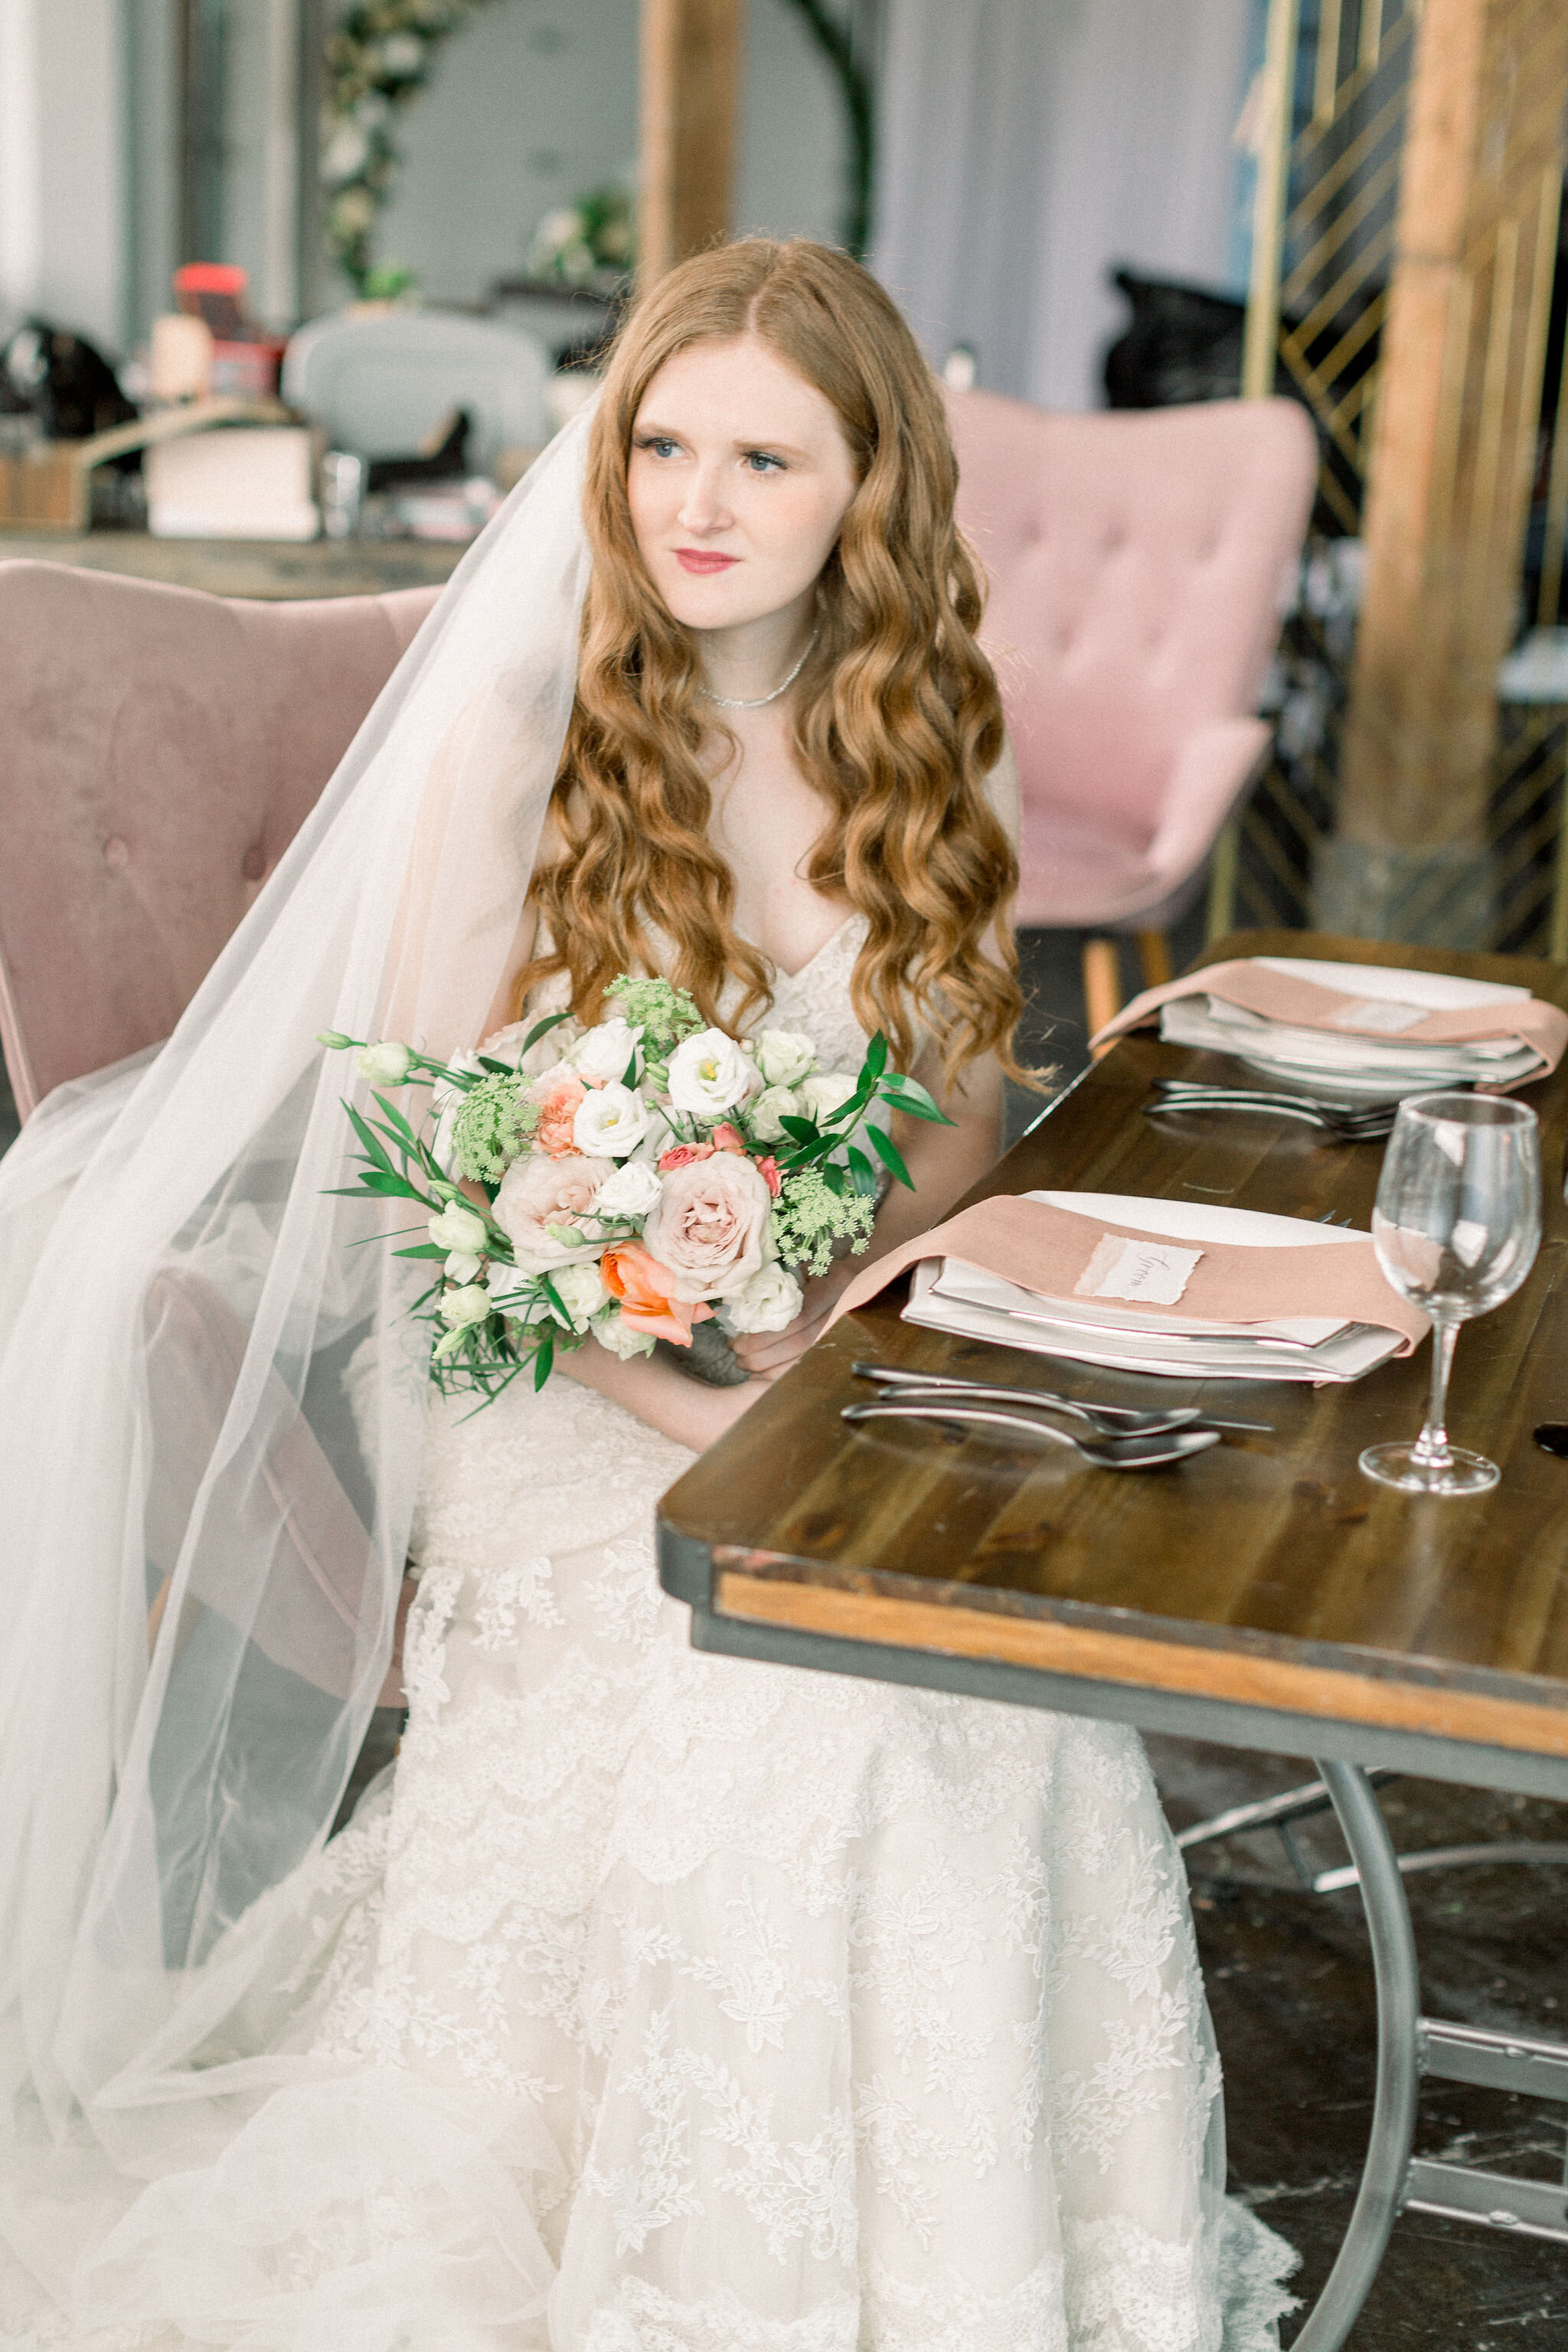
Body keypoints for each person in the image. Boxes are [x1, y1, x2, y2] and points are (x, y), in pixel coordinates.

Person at [0, 241, 1294, 2349]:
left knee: (1000, 1689)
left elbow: (953, 1130)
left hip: (805, 1353)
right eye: (662, 444)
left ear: (867, 488)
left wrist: (848, 1285)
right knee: (835, 1718)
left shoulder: (928, 739)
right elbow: (426, 1163)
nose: (697, 502)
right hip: (543, 1389)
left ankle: (968, 2267)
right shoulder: (528, 733)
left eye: (764, 458)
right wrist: (670, 1367)